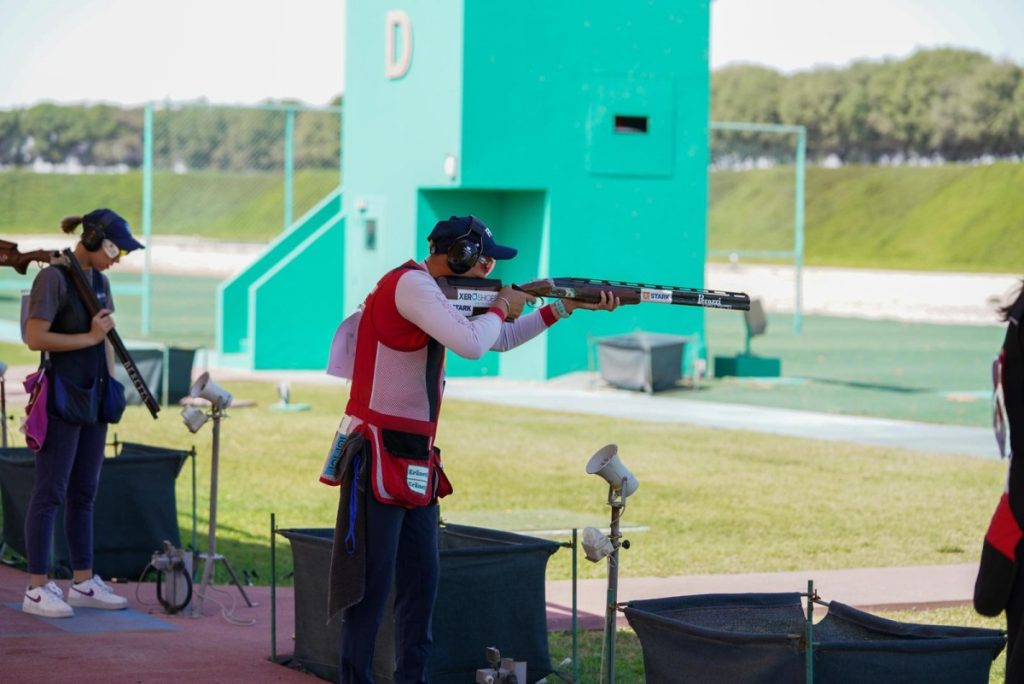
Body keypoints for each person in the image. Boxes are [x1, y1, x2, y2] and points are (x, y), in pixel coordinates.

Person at [328, 215, 619, 683]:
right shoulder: (411, 286)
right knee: (371, 590)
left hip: (416, 457)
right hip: (379, 453)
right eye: (484, 261)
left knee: (421, 587)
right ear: (461, 256)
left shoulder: (431, 291)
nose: (489, 269)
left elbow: (498, 338)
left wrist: (561, 308)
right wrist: (503, 304)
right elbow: (472, 344)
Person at [21, 208, 144, 618]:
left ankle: (83, 581)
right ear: (93, 240)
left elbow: (104, 337)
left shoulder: (101, 282)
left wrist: (111, 385)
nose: (118, 259)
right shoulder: (53, 278)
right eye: (114, 249)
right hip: (61, 395)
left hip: (94, 397)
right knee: (49, 493)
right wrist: (89, 337)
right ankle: (36, 587)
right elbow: (35, 337)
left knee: (84, 493)